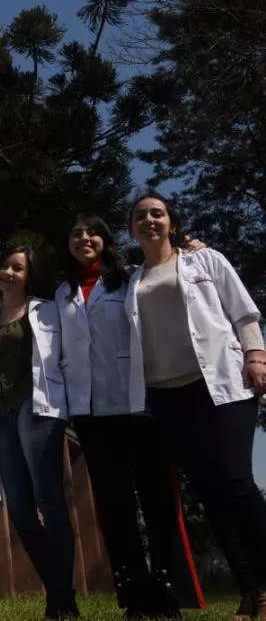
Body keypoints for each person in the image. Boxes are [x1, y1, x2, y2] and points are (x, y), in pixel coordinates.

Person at [56, 213, 204, 618]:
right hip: (90, 413)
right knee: (114, 505)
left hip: (139, 404)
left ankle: (167, 593)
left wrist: (192, 248)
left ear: (104, 240)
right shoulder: (62, 292)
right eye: (75, 234)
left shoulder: (132, 279)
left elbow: (171, 277)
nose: (83, 238)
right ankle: (134, 596)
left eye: (91, 233)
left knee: (157, 501)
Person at [126, 193, 266, 620]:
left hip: (221, 385)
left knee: (236, 478)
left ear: (171, 222)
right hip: (167, 396)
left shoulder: (205, 261)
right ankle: (251, 592)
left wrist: (257, 356)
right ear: (132, 229)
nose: (149, 220)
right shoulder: (130, 279)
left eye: (157, 213)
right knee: (210, 493)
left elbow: (243, 313)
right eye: (140, 216)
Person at [0, 246, 76, 620]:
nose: (9, 273)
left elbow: (74, 346)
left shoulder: (48, 309)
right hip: (2, 419)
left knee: (49, 503)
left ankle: (61, 599)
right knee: (18, 510)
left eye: (18, 268)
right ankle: (59, 591)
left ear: (29, 275)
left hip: (37, 410)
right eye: (5, 266)